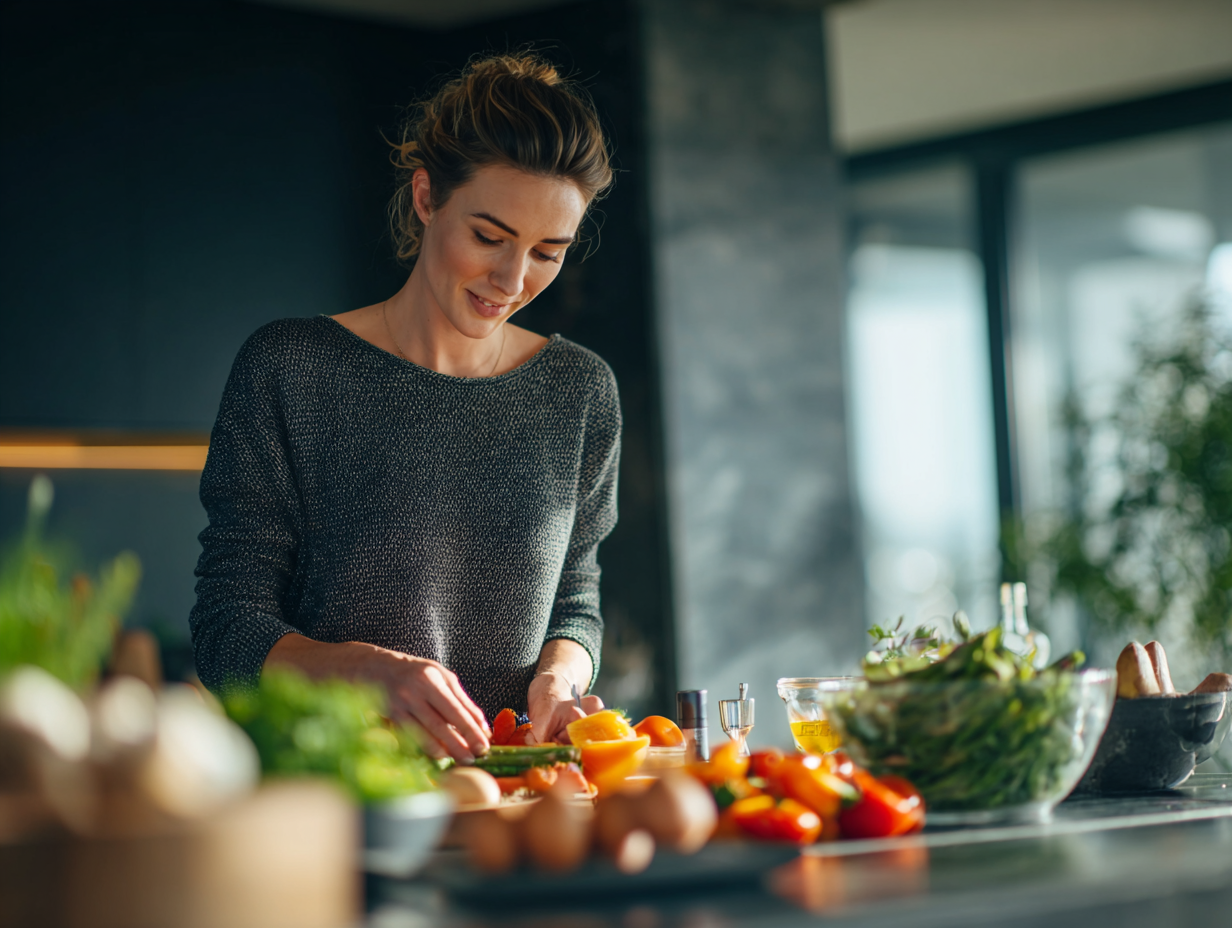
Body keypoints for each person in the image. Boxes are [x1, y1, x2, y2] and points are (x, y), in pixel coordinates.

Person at [189, 53, 618, 762]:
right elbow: (226, 632)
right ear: (426, 198)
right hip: (336, 790)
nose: (512, 280)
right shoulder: (292, 368)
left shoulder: (579, 390)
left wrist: (560, 679)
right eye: (489, 237)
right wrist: (363, 671)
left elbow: (576, 598)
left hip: (510, 791)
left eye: (548, 251)